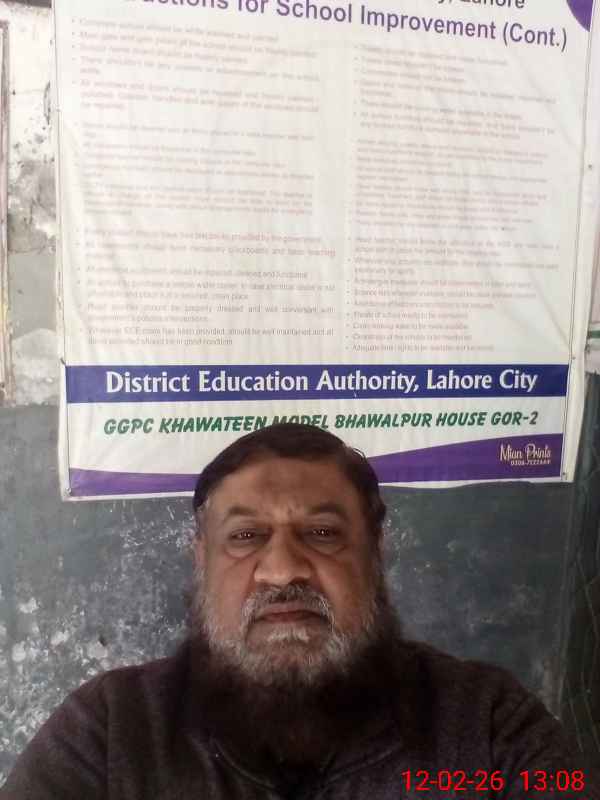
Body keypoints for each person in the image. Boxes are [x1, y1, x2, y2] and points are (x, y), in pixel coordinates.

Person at [1, 423, 598, 799]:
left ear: (376, 552)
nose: (283, 569)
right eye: (245, 537)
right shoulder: (109, 732)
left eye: (322, 533)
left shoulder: (489, 727)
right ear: (201, 559)